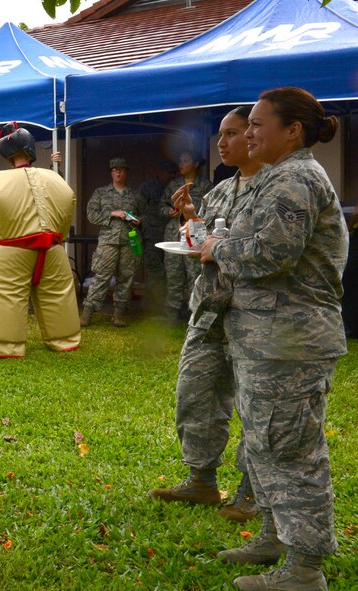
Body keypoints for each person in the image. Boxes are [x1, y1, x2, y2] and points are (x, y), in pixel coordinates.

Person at [201, 88, 347, 591]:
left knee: (291, 451)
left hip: (290, 340)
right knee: (264, 444)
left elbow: (271, 254)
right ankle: (273, 537)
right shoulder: (277, 176)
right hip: (268, 338)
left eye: (257, 124)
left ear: (293, 131)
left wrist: (218, 248)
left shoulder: (295, 180)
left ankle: (305, 569)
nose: (248, 133)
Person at [149, 106, 267, 524]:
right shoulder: (220, 190)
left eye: (232, 133)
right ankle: (201, 479)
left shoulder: (274, 188)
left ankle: (252, 492)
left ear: (254, 136)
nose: (223, 142)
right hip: (210, 309)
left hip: (254, 315)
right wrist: (191, 218)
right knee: (195, 393)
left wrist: (215, 246)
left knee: (257, 406)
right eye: (220, 134)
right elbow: (204, 243)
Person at [0, 123, 79, 358]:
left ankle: (7, 346)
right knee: (57, 295)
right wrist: (60, 235)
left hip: (12, 249)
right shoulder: (54, 178)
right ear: (31, 149)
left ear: (7, 153)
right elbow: (69, 200)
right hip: (52, 249)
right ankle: (64, 339)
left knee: (7, 296)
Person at [79, 158, 144, 327]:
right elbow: (91, 214)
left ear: (126, 172)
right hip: (108, 241)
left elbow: (146, 214)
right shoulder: (101, 193)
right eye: (115, 169)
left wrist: (140, 220)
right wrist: (112, 213)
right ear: (111, 173)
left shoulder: (135, 195)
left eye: (122, 169)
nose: (118, 172)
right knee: (102, 276)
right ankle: (87, 312)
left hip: (130, 240)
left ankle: (119, 314)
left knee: (127, 277)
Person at [161, 150, 213, 323]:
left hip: (194, 236)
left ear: (196, 164)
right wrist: (168, 211)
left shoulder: (206, 186)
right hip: (174, 234)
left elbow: (211, 212)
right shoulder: (173, 184)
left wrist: (194, 215)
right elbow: (161, 206)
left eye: (185, 160)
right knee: (173, 275)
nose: (181, 164)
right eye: (180, 160)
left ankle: (194, 315)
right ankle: (171, 316)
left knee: (195, 275)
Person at [137, 160, 177, 312]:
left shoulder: (175, 187)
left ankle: (150, 304)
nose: (172, 176)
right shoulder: (147, 188)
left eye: (174, 173)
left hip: (171, 235)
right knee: (155, 269)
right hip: (152, 235)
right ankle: (160, 305)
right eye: (169, 173)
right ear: (160, 172)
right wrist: (141, 219)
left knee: (168, 271)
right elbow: (136, 207)